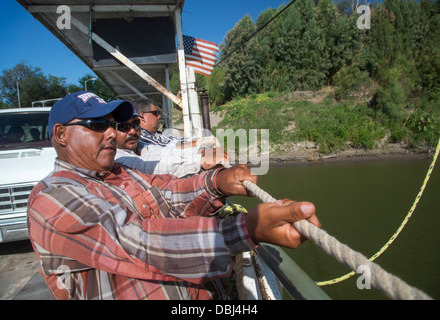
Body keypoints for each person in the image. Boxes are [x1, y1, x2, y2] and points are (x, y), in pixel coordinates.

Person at [27, 91, 321, 300]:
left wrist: (216, 181)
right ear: (61, 134)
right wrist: (245, 230)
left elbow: (168, 192)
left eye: (110, 124)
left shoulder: (122, 171)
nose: (110, 133)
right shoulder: (51, 199)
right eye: (97, 125)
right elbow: (136, 240)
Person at [114, 113, 228, 177]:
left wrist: (200, 151)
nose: (133, 131)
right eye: (123, 127)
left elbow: (165, 152)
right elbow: (147, 165)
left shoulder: (143, 145)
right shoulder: (115, 156)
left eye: (135, 124)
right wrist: (200, 160)